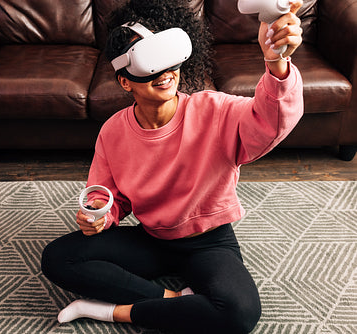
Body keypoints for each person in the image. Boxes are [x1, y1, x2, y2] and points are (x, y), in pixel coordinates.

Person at [41, 0, 304, 332]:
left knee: (240, 313)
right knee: (57, 257)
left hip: (209, 242)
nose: (165, 72)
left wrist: (276, 62)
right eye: (150, 62)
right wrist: (98, 215)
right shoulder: (113, 132)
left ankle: (108, 311)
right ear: (125, 81)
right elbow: (109, 198)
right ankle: (170, 298)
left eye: (168, 58)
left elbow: (271, 121)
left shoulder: (214, 109)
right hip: (152, 239)